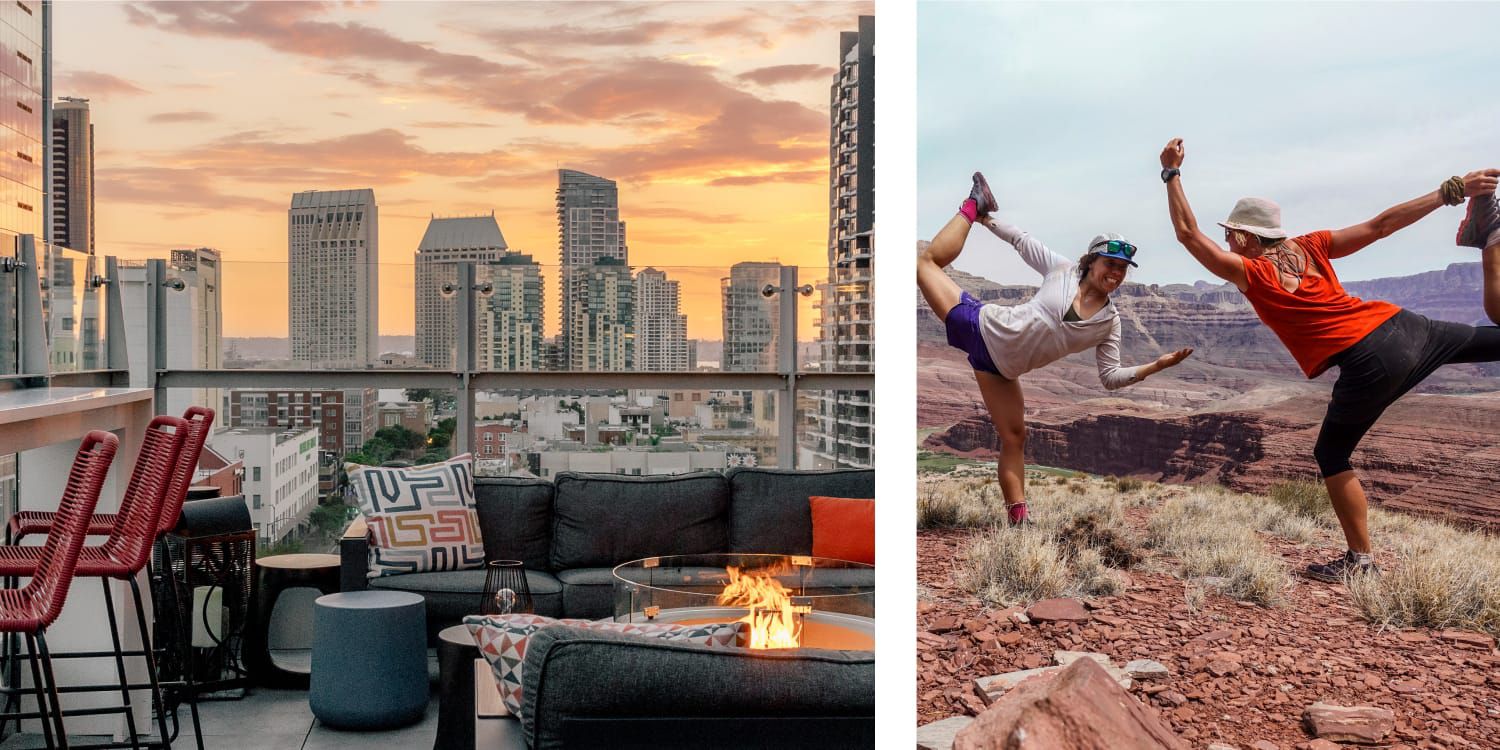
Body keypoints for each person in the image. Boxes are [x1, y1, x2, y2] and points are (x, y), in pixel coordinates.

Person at [1159, 137, 1500, 581]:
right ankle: (1492, 237)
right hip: (1406, 325)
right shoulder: (1312, 244)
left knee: (1332, 452)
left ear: (1244, 236)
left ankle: (1361, 562)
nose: (1225, 240)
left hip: (1369, 358)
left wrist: (1171, 174)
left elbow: (1188, 235)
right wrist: (1448, 191)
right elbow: (1381, 226)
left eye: (1228, 234)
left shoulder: (1251, 271)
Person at [918, 172, 1193, 524]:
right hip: (981, 326)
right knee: (925, 264)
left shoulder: (1110, 323)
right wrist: (986, 220)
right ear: (1091, 261)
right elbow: (1021, 240)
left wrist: (1157, 366)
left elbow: (1110, 377)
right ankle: (972, 204)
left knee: (1015, 438)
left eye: (1123, 269)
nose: (1116, 273)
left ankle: (1019, 522)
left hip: (1000, 371)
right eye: (1111, 264)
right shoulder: (1062, 269)